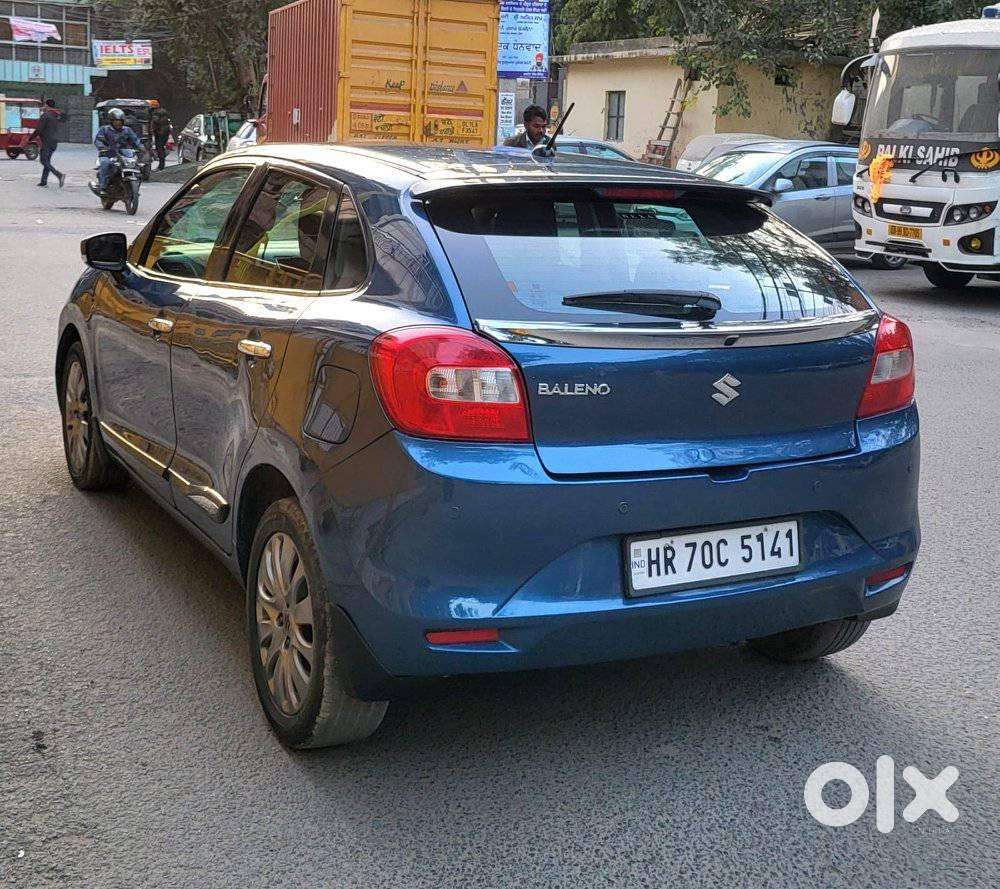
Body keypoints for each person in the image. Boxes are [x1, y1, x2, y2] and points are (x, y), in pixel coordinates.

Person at [93, 108, 142, 194]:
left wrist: (141, 147)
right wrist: (102, 147)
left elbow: (135, 140)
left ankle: (134, 187)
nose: (118, 123)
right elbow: (98, 140)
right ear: (111, 121)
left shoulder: (127, 130)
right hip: (108, 154)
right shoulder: (104, 129)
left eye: (120, 121)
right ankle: (102, 187)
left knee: (137, 165)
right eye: (115, 121)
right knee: (105, 164)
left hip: (123, 154)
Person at [33, 98, 66, 188]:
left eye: (44, 105)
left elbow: (39, 129)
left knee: (43, 161)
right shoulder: (56, 114)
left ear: (47, 105)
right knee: (47, 161)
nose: (43, 107)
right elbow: (65, 118)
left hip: (46, 142)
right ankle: (43, 182)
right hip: (54, 142)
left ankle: (59, 175)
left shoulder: (45, 115)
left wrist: (31, 138)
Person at [151, 106, 172, 171]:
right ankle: (161, 165)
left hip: (160, 133)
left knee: (159, 149)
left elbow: (156, 120)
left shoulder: (157, 113)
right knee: (160, 149)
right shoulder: (163, 112)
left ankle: (161, 166)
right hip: (163, 132)